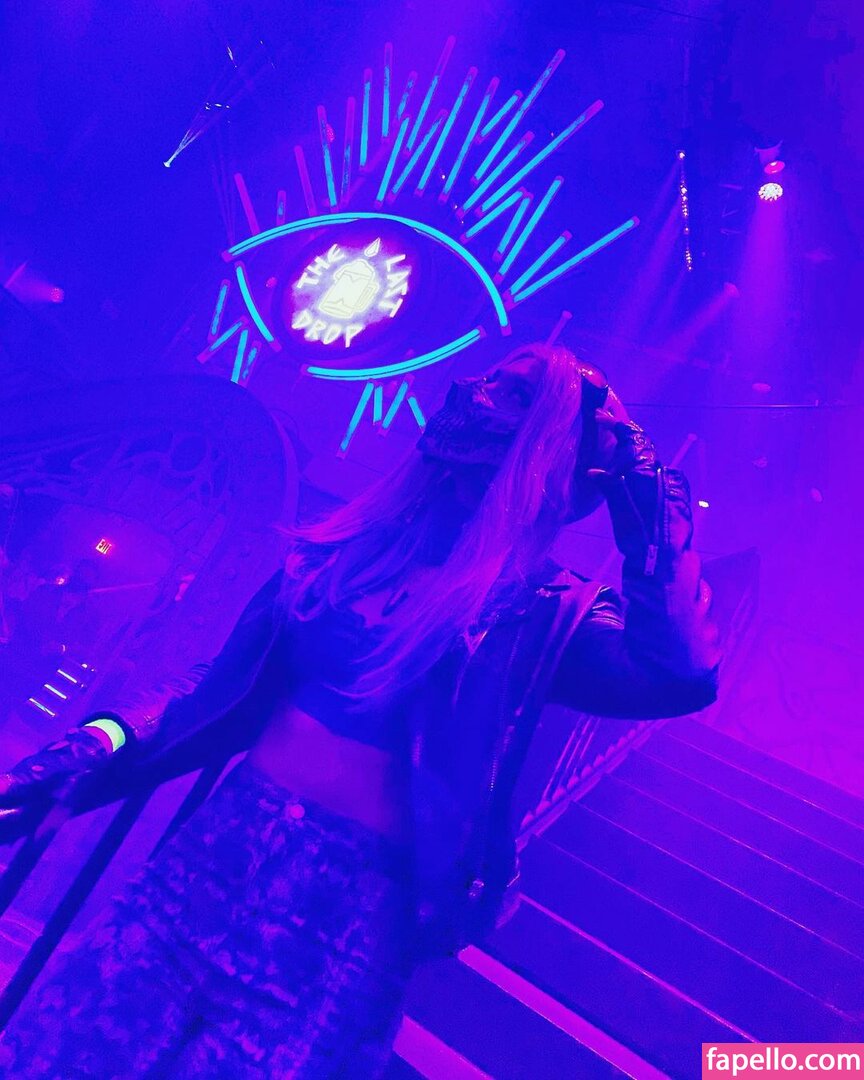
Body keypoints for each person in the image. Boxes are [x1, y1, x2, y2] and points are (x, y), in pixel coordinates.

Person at [0, 343, 721, 1078]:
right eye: (487, 377)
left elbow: (678, 672)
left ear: (547, 447)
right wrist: (104, 738)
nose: (473, 392)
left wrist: (640, 477)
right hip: (203, 868)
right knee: (56, 1058)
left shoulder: (543, 610)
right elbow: (218, 689)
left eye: (511, 391)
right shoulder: (342, 552)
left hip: (342, 929)